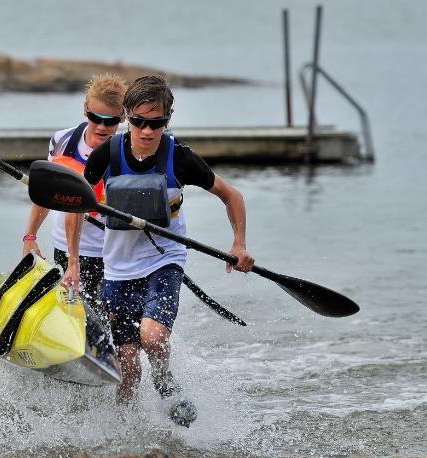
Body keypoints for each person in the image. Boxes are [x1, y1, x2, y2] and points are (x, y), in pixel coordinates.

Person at [63, 75, 255, 410]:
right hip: (118, 269)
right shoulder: (106, 154)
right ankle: (126, 434)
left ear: (167, 120)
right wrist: (73, 262)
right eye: (139, 122)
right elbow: (75, 206)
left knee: (152, 336)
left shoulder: (179, 157)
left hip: (164, 259)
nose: (148, 131)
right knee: (127, 365)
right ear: (127, 117)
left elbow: (232, 196)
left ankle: (165, 381)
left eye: (157, 123)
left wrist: (238, 244)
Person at [22, 74, 127, 306]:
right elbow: (46, 192)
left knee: (106, 325)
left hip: (109, 253)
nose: (101, 126)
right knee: (72, 314)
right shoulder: (62, 140)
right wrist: (30, 236)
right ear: (85, 109)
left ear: (123, 117)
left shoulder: (127, 153)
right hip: (64, 247)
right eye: (94, 117)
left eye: (110, 121)